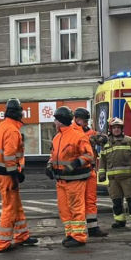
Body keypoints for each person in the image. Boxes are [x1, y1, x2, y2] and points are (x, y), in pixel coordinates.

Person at [0, 98, 38, 252]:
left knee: (16, 206)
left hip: (1, 172)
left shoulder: (1, 126)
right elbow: (9, 155)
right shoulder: (12, 130)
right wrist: (14, 175)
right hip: (7, 174)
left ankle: (22, 235)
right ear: (18, 113)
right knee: (9, 208)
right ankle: (3, 243)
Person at [46, 106, 94, 248]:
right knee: (64, 209)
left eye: (56, 120)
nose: (54, 122)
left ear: (60, 121)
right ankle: (70, 234)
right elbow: (53, 155)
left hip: (75, 179)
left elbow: (89, 155)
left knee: (76, 208)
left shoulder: (78, 136)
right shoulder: (57, 137)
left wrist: (75, 163)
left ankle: (79, 237)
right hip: (61, 180)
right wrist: (49, 165)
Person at [99, 117, 131, 229]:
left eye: (118, 127)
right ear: (111, 129)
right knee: (116, 201)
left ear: (121, 129)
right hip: (113, 179)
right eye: (114, 128)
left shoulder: (129, 141)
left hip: (127, 178)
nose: (116, 129)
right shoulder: (106, 143)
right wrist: (101, 174)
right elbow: (102, 160)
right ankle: (119, 221)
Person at [72, 107, 105, 237]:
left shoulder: (90, 132)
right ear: (76, 119)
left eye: (86, 121)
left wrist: (100, 138)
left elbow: (103, 139)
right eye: (83, 120)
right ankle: (77, 230)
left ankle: (93, 228)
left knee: (91, 200)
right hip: (77, 172)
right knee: (78, 202)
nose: (85, 123)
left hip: (90, 170)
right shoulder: (71, 132)